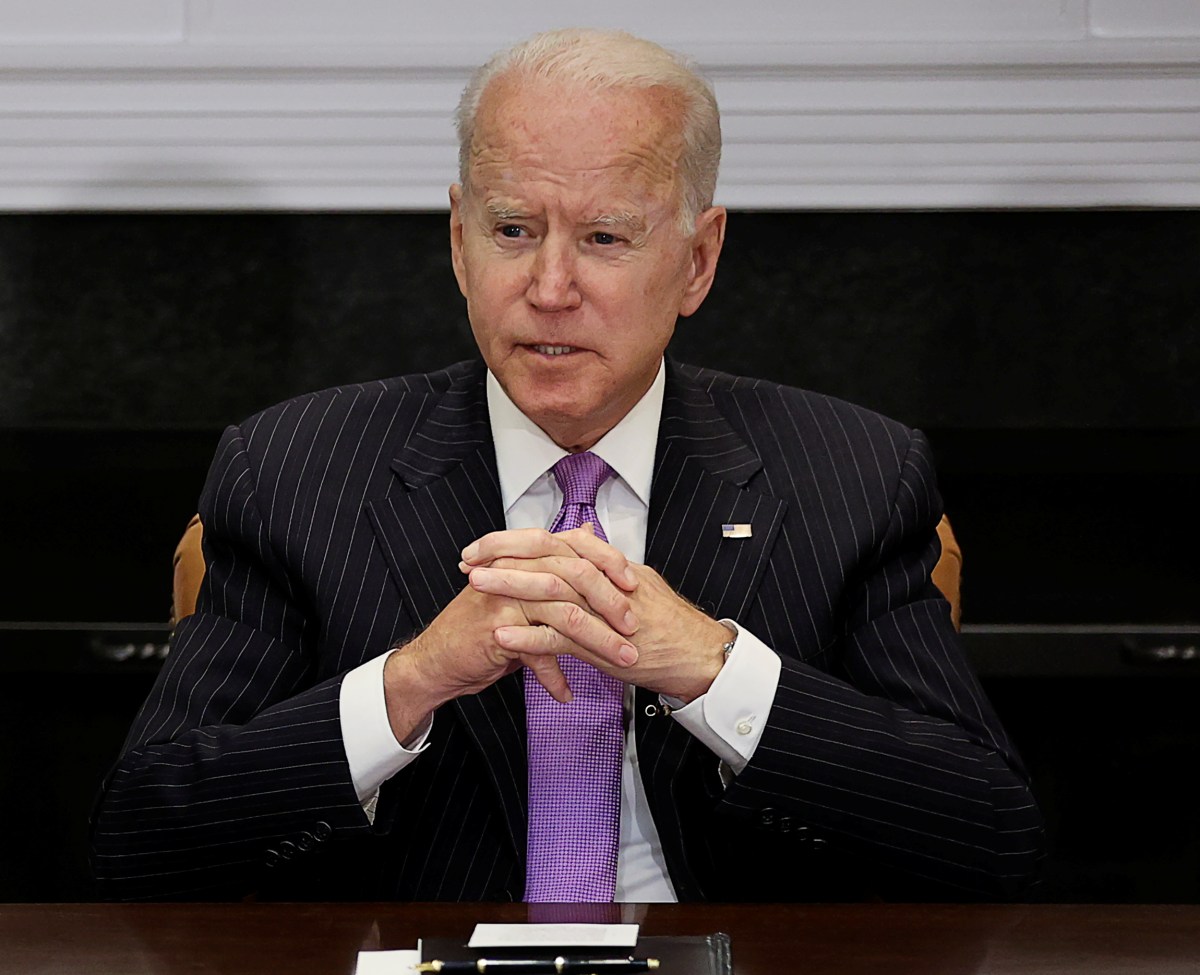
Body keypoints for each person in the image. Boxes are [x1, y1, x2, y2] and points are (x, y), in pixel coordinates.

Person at [91, 28, 1042, 902]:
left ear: (699, 259)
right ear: (459, 240)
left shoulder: (849, 474)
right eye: (512, 231)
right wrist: (407, 684)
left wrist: (719, 673)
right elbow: (140, 842)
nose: (549, 289)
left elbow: (992, 838)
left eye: (603, 238)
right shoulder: (295, 470)